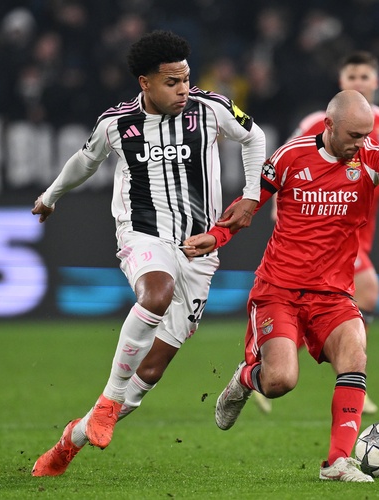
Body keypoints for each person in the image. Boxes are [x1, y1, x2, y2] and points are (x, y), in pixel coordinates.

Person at [185, 90, 379, 482]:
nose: (361, 143)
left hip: (333, 295)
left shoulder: (369, 158)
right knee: (280, 381)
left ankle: (338, 462)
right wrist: (216, 237)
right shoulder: (290, 157)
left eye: (366, 135)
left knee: (355, 356)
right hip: (279, 292)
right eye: (354, 135)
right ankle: (244, 380)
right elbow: (248, 204)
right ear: (329, 125)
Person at [30, 30, 266, 477]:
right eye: (172, 82)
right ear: (145, 82)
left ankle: (72, 439)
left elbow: (254, 137)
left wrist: (252, 195)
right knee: (156, 294)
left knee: (151, 373)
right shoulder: (117, 124)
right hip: (143, 235)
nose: (183, 89)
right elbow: (85, 160)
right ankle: (108, 400)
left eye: (186, 79)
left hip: (199, 250)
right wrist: (50, 196)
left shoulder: (211, 108)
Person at [254, 50, 379, 416]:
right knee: (368, 290)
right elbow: (285, 161)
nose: (359, 82)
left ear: (376, 82)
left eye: (364, 76)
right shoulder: (318, 122)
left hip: (356, 231)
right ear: (341, 83)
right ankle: (347, 374)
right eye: (351, 77)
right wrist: (278, 198)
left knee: (340, 304)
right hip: (324, 232)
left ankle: (279, 365)